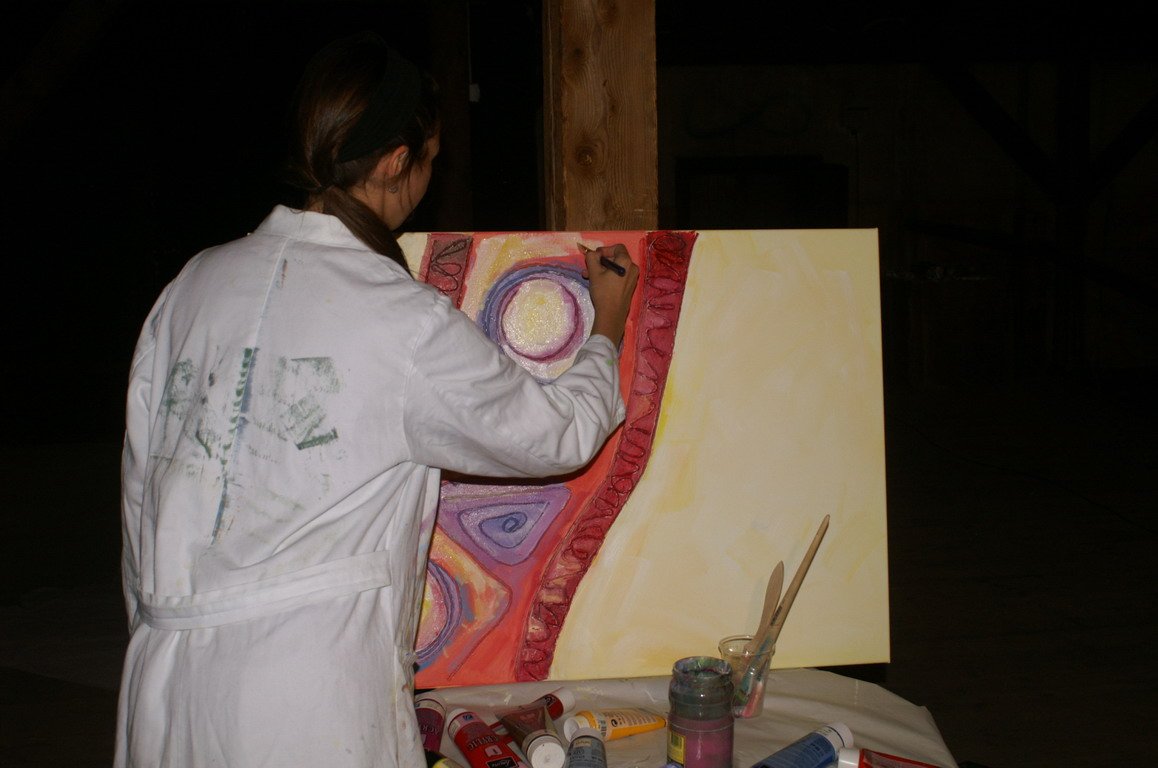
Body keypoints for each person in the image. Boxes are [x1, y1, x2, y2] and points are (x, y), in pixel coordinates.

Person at [115, 31, 638, 767]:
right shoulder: (398, 318)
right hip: (302, 699)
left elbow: (140, 496)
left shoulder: (192, 284)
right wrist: (606, 325)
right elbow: (556, 434)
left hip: (163, 684)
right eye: (430, 158)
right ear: (396, 161)